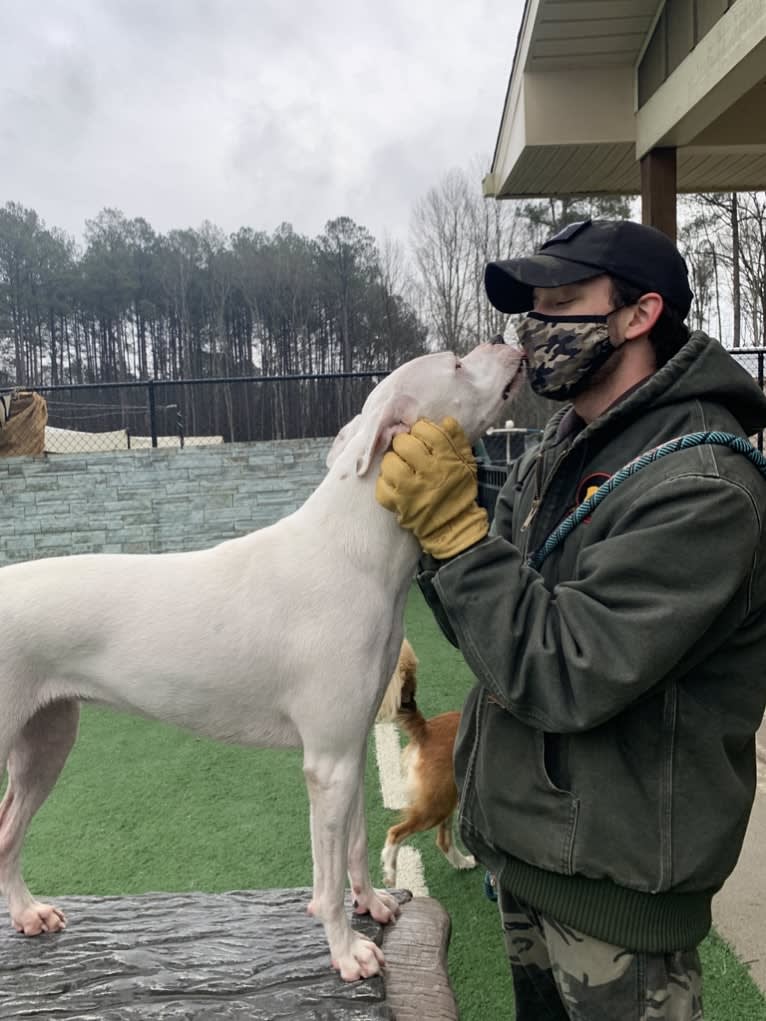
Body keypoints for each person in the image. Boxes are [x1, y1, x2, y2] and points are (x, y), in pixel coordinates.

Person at [375, 218, 766, 1021]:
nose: (535, 326)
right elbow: (495, 646)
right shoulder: (562, 445)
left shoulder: (702, 481)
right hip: (525, 860)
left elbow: (565, 672)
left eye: (562, 302)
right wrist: (440, 546)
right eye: (533, 306)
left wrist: (456, 535)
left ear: (638, 314)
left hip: (614, 896)